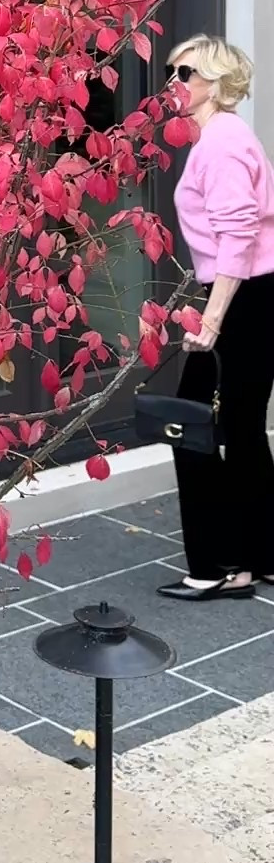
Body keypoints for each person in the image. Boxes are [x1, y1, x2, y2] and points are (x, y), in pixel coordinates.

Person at [157, 37, 274, 601]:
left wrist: (211, 320)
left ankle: (217, 567)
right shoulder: (216, 137)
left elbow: (237, 236)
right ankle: (258, 555)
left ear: (215, 82)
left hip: (242, 296)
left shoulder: (221, 143)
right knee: (244, 428)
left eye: (186, 71)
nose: (173, 80)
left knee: (192, 429)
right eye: (171, 70)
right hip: (256, 293)